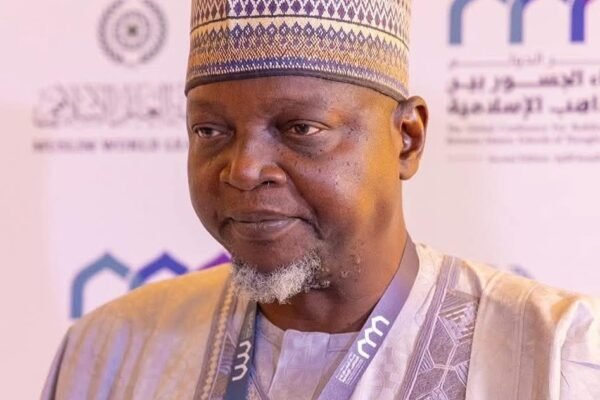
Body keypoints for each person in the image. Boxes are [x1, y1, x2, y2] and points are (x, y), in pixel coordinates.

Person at [42, 0, 600, 399]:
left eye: (301, 128)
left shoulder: (553, 353)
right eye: (210, 131)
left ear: (407, 139)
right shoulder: (110, 352)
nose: (243, 170)